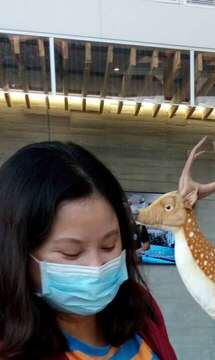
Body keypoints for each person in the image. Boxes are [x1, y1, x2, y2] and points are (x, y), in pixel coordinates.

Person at [0, 141, 177, 359]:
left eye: (109, 245)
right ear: (17, 253)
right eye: (70, 252)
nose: (97, 267)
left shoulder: (141, 309)